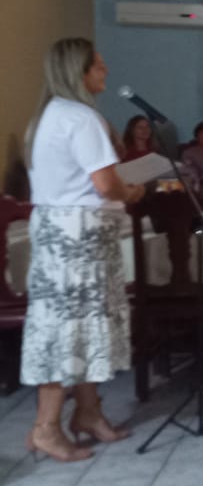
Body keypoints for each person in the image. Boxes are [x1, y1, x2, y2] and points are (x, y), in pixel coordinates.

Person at [22, 38, 144, 461]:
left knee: (85, 326)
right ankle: (46, 427)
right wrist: (133, 192)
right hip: (77, 238)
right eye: (98, 65)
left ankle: (89, 412)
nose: (105, 69)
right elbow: (106, 184)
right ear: (79, 71)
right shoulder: (80, 117)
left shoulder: (51, 115)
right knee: (67, 328)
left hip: (63, 232)